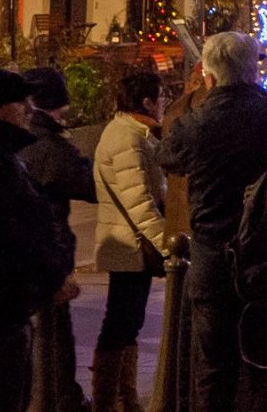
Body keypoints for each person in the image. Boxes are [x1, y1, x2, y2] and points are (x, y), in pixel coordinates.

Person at [156, 32, 267, 412]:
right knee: (265, 361)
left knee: (212, 364)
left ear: (208, 77)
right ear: (254, 71)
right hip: (265, 257)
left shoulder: (192, 126)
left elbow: (169, 159)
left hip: (210, 254)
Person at [0, 68, 75, 412]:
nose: (29, 107)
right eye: (19, 99)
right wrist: (52, 276)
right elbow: (12, 235)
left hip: (7, 314)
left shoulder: (7, 156)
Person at [91, 71, 169, 412]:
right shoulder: (128, 138)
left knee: (129, 321)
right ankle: (109, 401)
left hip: (130, 245)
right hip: (128, 246)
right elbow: (140, 202)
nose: (165, 102)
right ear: (148, 102)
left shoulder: (135, 133)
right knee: (120, 322)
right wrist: (166, 245)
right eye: (161, 96)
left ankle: (124, 397)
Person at [21, 68, 93, 412]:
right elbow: (86, 182)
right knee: (54, 341)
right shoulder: (48, 146)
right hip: (48, 257)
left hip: (28, 259)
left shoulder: (19, 142)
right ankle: (63, 398)